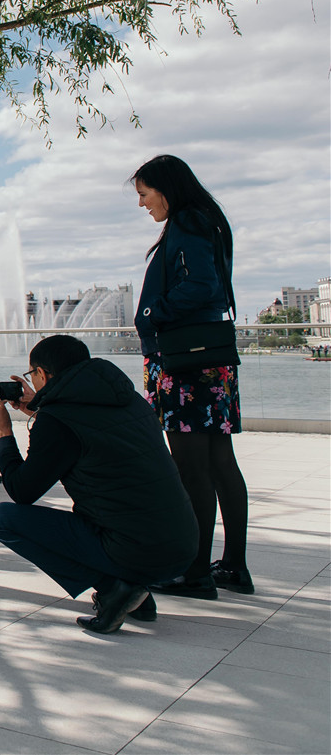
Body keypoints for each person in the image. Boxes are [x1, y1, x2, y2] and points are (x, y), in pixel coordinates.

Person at [0, 335, 197, 633]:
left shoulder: (58, 420)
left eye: (32, 375)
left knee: (4, 519)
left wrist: (3, 432)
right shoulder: (130, 399)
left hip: (137, 551)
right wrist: (42, 408)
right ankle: (136, 594)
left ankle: (116, 589)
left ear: (42, 373)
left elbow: (22, 491)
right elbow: (87, 431)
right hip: (183, 547)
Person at [132, 154, 251, 600]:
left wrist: (152, 313)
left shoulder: (186, 222)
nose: (142, 203)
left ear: (166, 188)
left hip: (185, 366)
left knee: (191, 469)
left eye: (144, 193)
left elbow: (201, 285)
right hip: (210, 361)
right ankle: (233, 566)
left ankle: (196, 572)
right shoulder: (206, 221)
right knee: (220, 464)